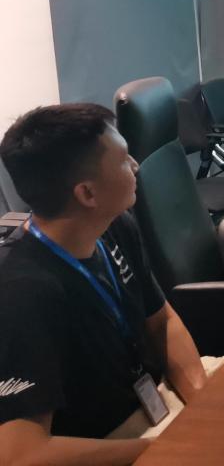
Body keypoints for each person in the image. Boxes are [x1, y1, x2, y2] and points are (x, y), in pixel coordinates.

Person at [0, 104, 208, 464]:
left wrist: (207, 408)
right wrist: (166, 450)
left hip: (152, 406)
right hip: (106, 444)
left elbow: (162, 322)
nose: (136, 166)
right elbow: (21, 454)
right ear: (87, 194)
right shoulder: (23, 292)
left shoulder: (114, 225)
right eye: (124, 159)